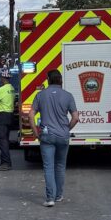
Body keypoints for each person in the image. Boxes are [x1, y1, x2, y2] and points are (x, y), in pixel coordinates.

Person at [32, 69, 79, 206]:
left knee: (48, 167)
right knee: (60, 166)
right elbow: (75, 118)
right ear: (61, 80)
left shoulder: (40, 95)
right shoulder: (68, 96)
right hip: (63, 136)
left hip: (46, 136)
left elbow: (30, 115)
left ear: (48, 80)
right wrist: (66, 129)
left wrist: (36, 132)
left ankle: (50, 198)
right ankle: (59, 196)